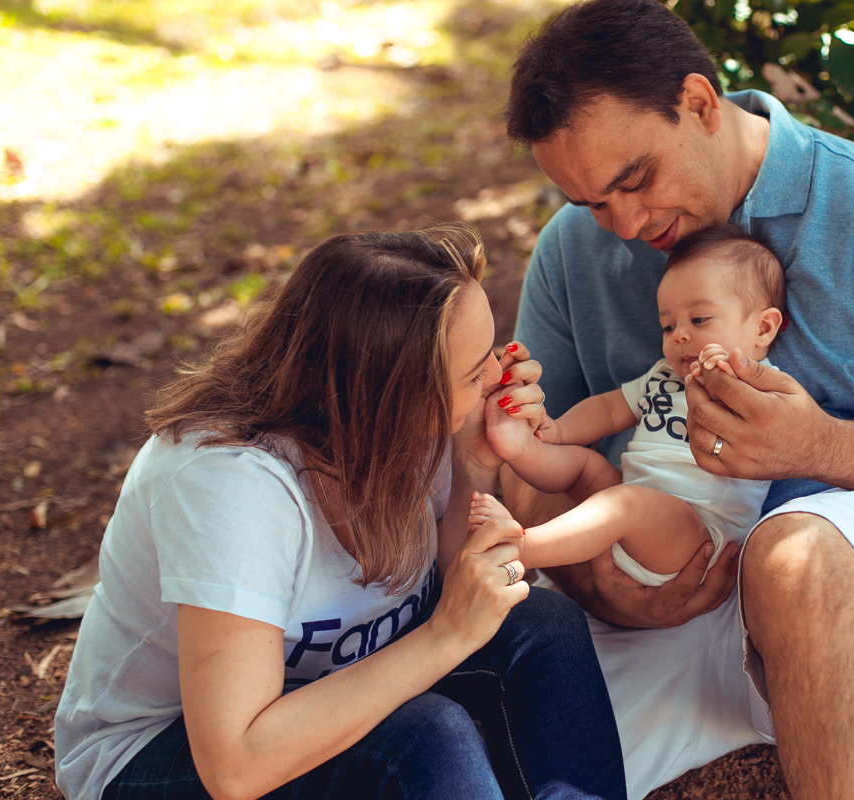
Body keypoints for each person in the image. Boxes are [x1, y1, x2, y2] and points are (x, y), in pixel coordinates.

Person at [502, 1, 854, 799]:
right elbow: (535, 456)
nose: (621, 224)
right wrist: (594, 581)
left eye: (635, 180)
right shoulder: (571, 250)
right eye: (591, 201)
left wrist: (820, 448)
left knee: (794, 555)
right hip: (668, 586)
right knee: (497, 734)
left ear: (699, 103)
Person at [53, 228, 627, 800]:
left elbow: (437, 593)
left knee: (542, 627)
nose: (499, 383)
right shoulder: (228, 484)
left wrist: (475, 463)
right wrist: (446, 639)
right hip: (163, 754)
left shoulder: (404, 425)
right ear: (394, 392)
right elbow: (235, 766)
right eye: (476, 374)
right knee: (423, 737)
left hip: (333, 675)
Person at [470, 225, 790, 587]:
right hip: (630, 510)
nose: (680, 335)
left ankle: (521, 546)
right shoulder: (664, 374)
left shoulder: (765, 387)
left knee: (626, 504)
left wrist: (726, 379)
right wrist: (558, 431)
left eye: (699, 320)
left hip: (697, 537)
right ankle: (521, 450)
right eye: (668, 326)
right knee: (585, 467)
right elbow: (609, 410)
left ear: (763, 329)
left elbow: (786, 441)